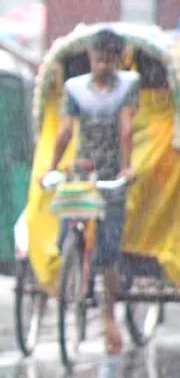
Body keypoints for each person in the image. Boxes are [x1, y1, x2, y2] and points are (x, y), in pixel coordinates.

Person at [47, 29, 139, 356]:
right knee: (67, 232)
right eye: (97, 57)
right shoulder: (75, 89)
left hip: (113, 174)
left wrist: (126, 169)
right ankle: (71, 275)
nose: (102, 64)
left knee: (109, 252)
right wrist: (52, 166)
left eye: (108, 59)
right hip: (83, 171)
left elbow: (126, 128)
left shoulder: (128, 87)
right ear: (90, 56)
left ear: (117, 60)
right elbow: (64, 130)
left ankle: (110, 317)